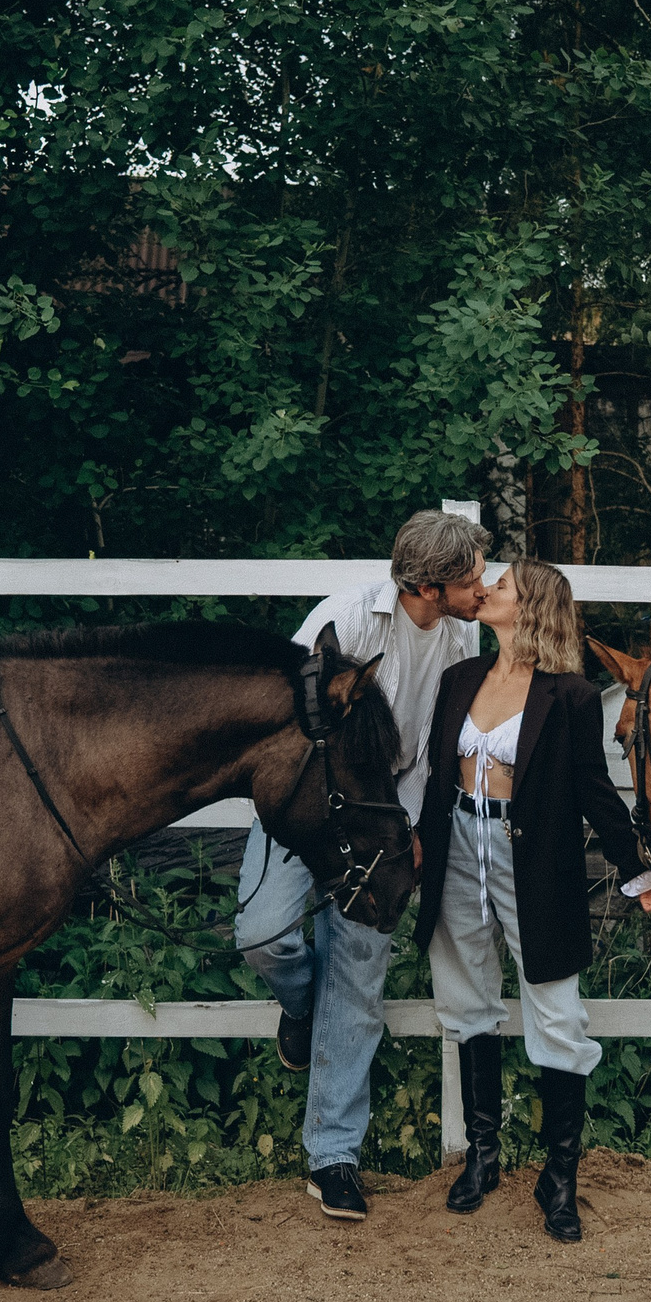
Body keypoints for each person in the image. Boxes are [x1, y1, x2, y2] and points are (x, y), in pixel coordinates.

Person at [412, 559, 651, 1242]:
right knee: (467, 1001)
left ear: (529, 607)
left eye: (500, 585)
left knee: (556, 1013)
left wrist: (642, 875)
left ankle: (559, 1176)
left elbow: (594, 790)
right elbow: (433, 776)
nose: (486, 591)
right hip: (456, 853)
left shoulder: (570, 695)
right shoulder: (458, 680)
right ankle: (483, 1156)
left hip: (531, 862)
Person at [237, 508, 491, 1222]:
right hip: (313, 804)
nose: (482, 586)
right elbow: (284, 716)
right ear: (429, 585)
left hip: (387, 816)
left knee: (359, 971)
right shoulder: (345, 621)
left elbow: (441, 744)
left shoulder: (463, 634)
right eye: (469, 576)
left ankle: (333, 1155)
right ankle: (301, 1006)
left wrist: (410, 825)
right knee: (263, 935)